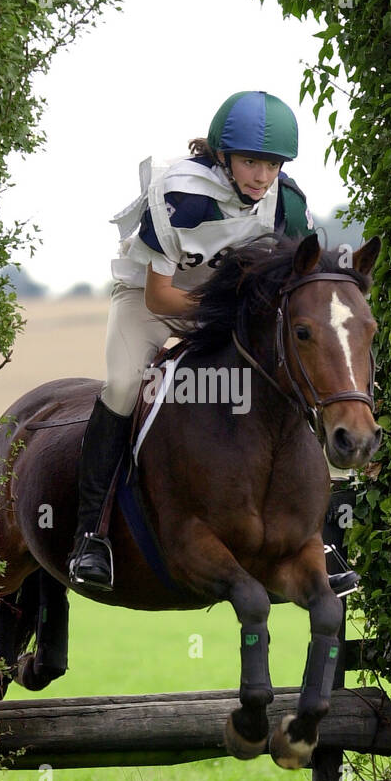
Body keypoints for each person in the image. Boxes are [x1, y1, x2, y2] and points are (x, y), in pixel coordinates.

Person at [66, 90, 348, 594]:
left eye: (272, 164)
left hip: (233, 308)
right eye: (250, 162)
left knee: (297, 379)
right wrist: (231, 315)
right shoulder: (181, 195)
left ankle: (321, 539)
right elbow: (161, 296)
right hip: (156, 301)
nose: (262, 177)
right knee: (125, 385)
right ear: (223, 156)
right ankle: (93, 535)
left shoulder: (287, 202)